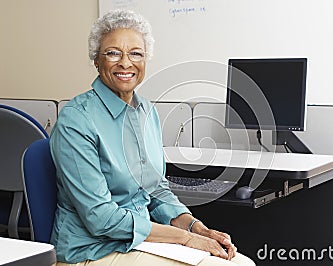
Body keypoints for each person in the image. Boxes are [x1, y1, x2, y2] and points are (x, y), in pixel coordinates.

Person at [50, 9, 255, 266]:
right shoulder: (76, 120)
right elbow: (100, 218)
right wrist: (185, 239)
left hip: (139, 240)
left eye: (136, 53)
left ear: (145, 60)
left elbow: (156, 190)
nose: (126, 63)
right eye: (113, 53)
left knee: (241, 263)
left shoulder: (146, 111)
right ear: (96, 60)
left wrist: (196, 228)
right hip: (91, 250)